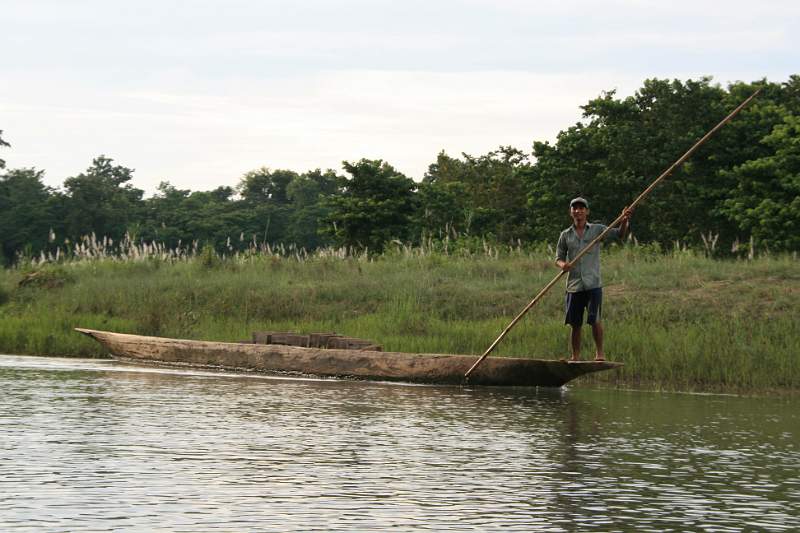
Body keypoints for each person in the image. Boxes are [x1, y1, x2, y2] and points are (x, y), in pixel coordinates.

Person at [555, 197, 632, 362]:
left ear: (587, 211)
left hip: (593, 284)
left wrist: (624, 220)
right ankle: (575, 356)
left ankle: (599, 354)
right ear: (571, 212)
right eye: (575, 208)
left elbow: (619, 234)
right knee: (575, 324)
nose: (578, 211)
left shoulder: (597, 229)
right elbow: (559, 257)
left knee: (595, 319)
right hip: (574, 286)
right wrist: (563, 265)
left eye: (581, 208)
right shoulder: (565, 235)